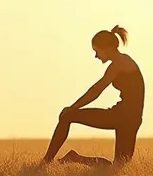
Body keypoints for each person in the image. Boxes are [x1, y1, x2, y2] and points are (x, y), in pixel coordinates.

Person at [42, 25, 145, 166]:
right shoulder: (123, 61)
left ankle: (47, 162)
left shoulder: (119, 64)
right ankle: (70, 159)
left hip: (123, 117)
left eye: (97, 51)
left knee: (67, 116)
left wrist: (73, 107)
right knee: (117, 166)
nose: (96, 56)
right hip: (131, 119)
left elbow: (96, 90)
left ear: (106, 48)